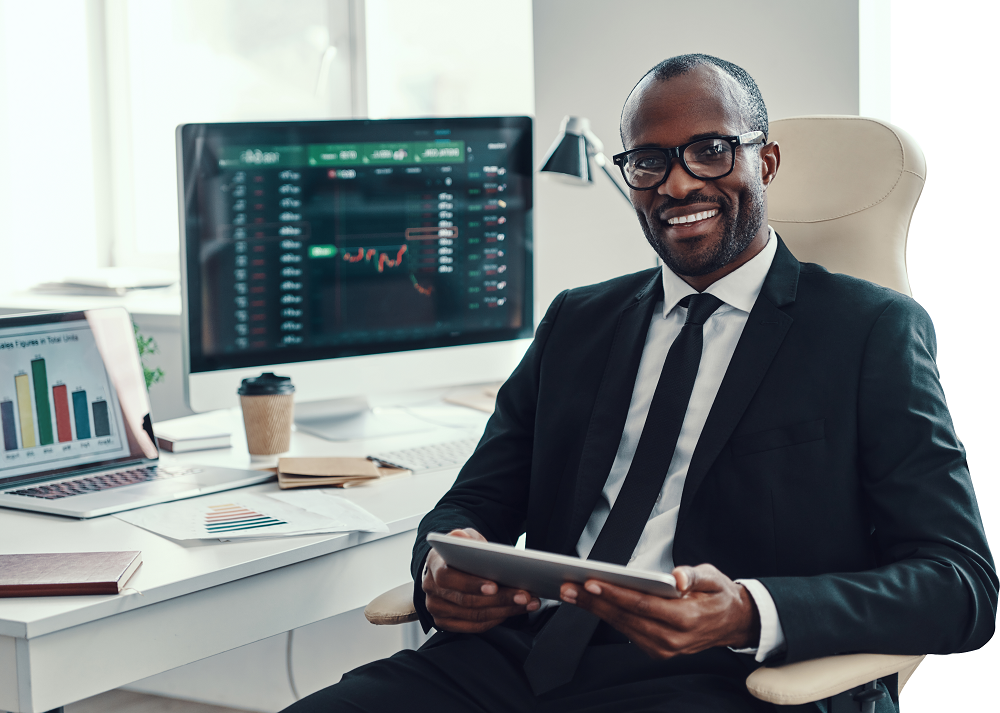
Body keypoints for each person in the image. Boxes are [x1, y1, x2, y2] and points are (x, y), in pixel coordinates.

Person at [283, 54, 997, 713]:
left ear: (766, 161)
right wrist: (439, 566)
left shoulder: (869, 330)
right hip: (519, 656)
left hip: (720, 678)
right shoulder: (577, 320)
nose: (679, 182)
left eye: (711, 150)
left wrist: (750, 609)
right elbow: (474, 500)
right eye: (650, 161)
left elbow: (961, 583)